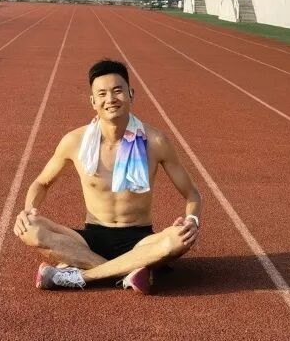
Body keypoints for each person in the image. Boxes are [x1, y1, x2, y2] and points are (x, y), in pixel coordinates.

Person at [12, 59, 203, 294]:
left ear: (131, 94)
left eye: (117, 90)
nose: (110, 99)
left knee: (180, 239)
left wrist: (191, 220)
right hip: (90, 238)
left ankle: (80, 275)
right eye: (102, 94)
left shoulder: (155, 142)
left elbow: (192, 194)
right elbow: (42, 182)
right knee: (29, 228)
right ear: (93, 102)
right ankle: (126, 273)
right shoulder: (74, 141)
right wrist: (27, 211)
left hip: (140, 239)